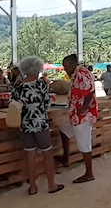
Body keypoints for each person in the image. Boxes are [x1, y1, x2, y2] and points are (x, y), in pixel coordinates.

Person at [11, 56, 64, 196]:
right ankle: (51, 184)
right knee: (47, 153)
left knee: (30, 154)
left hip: (25, 124)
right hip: (40, 123)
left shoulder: (18, 86)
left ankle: (33, 187)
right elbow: (47, 103)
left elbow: (12, 103)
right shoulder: (40, 84)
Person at [59, 54, 98, 183]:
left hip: (82, 114)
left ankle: (89, 173)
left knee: (84, 142)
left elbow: (90, 91)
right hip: (75, 113)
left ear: (71, 64)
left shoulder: (81, 73)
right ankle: (66, 157)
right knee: (63, 128)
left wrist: (84, 108)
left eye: (65, 67)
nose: (65, 69)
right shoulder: (77, 73)